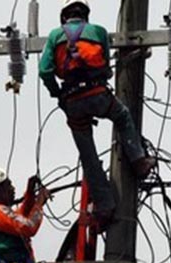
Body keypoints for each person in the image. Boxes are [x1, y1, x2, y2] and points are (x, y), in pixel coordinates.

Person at [39, 0, 156, 228]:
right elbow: (106, 69)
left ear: (64, 16)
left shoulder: (55, 36)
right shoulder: (98, 31)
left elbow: (45, 71)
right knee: (122, 116)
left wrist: (57, 94)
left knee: (88, 155)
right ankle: (139, 161)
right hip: (97, 95)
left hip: (72, 101)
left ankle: (105, 205)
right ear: (86, 15)